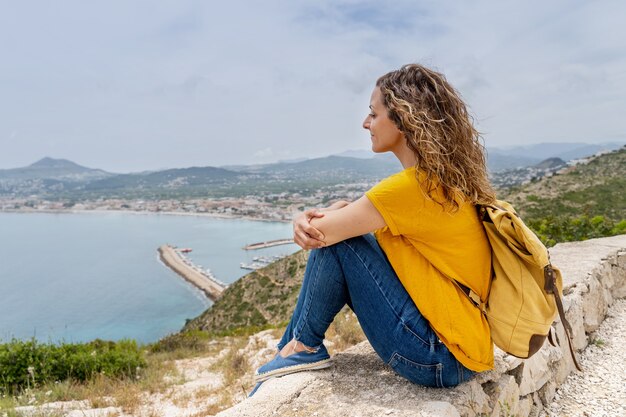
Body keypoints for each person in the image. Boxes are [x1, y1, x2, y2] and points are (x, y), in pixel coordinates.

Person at [249, 63, 496, 397]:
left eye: (373, 114)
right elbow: (354, 223)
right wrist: (336, 212)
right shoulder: (441, 181)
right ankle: (293, 348)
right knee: (347, 239)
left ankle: (300, 347)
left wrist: (303, 217)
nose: (365, 123)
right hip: (462, 349)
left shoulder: (411, 186)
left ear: (403, 118)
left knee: (340, 245)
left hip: (437, 356)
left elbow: (322, 234)